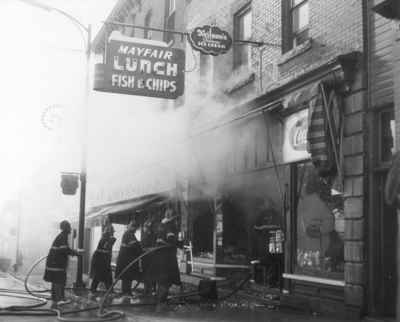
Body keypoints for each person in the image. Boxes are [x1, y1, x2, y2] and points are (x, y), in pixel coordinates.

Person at [145, 208, 182, 303]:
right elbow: (171, 241)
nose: (176, 221)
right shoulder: (170, 226)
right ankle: (161, 301)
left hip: (158, 257)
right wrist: (180, 243)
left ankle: (159, 299)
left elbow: (156, 239)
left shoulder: (160, 225)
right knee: (166, 280)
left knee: (160, 279)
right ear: (172, 218)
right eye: (175, 218)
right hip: (167, 258)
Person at [43, 220, 82, 307]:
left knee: (56, 281)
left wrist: (74, 252)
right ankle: (59, 299)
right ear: (66, 228)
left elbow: (64, 249)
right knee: (58, 281)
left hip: (54, 263)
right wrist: (76, 253)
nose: (70, 229)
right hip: (56, 264)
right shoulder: (63, 237)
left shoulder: (61, 236)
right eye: (69, 227)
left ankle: (55, 299)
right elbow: (65, 250)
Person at [250, 198, 280, 285]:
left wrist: (266, 227)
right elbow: (255, 227)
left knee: (274, 260)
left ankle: (272, 280)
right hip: (263, 242)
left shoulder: (276, 214)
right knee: (266, 259)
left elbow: (280, 226)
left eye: (270, 203)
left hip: (274, 241)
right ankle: (266, 280)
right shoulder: (260, 214)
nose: (268, 205)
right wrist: (263, 229)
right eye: (266, 203)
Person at [115, 219, 142, 297]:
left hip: (127, 259)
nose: (135, 230)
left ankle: (126, 291)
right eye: (134, 227)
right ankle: (126, 292)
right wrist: (140, 247)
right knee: (127, 276)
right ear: (132, 227)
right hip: (126, 259)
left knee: (127, 277)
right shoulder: (128, 234)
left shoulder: (130, 234)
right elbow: (135, 245)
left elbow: (135, 245)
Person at [89, 224, 116, 294]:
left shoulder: (106, 237)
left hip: (103, 260)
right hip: (100, 260)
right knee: (100, 276)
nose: (113, 233)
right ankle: (94, 290)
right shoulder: (106, 238)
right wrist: (111, 240)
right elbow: (106, 247)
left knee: (106, 277)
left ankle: (109, 291)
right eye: (112, 231)